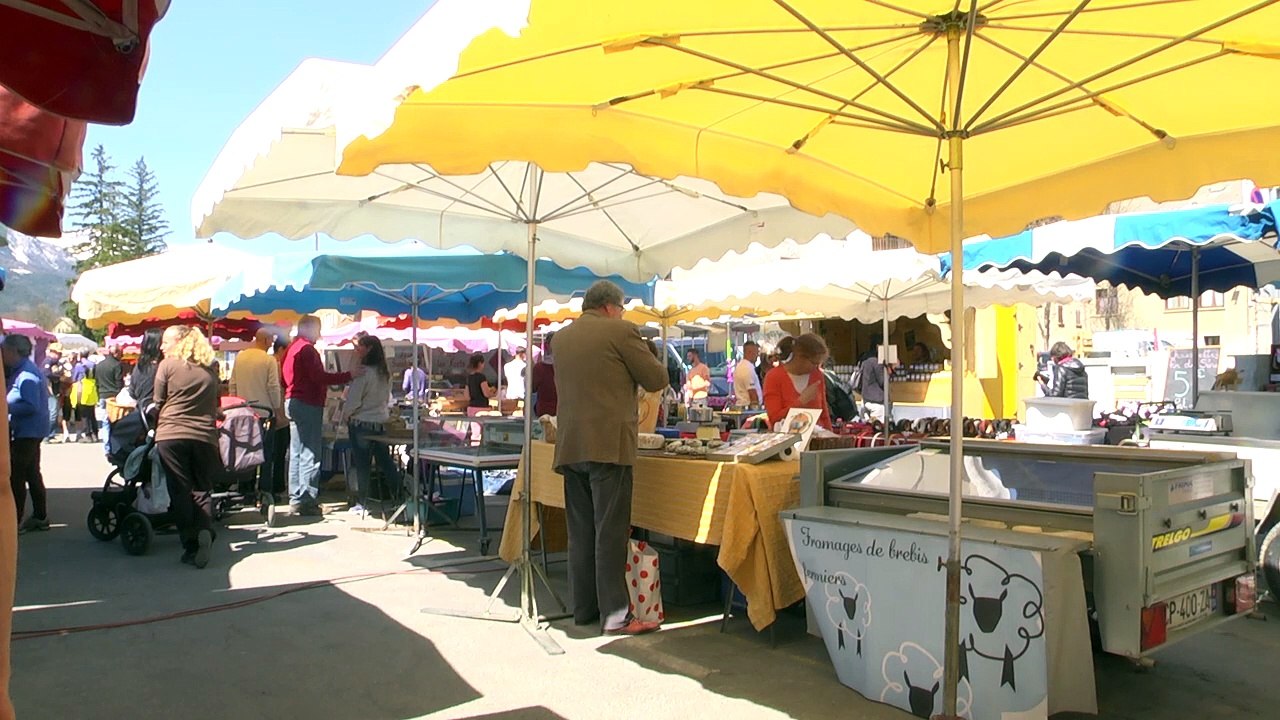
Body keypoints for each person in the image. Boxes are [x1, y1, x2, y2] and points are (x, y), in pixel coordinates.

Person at [553, 280, 668, 636]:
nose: (622, 313)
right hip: (609, 444)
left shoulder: (561, 337)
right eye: (621, 308)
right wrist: (646, 348)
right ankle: (616, 615)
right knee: (610, 532)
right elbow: (656, 378)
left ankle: (583, 609)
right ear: (609, 306)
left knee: (581, 532)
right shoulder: (621, 331)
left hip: (571, 444)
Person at [153, 326, 221, 569]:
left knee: (180, 490)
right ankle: (204, 529)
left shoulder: (168, 366)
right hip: (204, 436)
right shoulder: (210, 371)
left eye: (166, 341)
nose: (162, 346)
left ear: (180, 341)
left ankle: (190, 545)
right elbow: (216, 404)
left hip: (171, 435)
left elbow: (158, 402)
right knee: (202, 488)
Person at [283, 315, 356, 516]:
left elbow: (284, 378)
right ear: (308, 329)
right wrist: (347, 375)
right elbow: (319, 377)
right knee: (310, 451)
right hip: (308, 402)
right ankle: (307, 500)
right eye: (318, 329)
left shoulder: (291, 349)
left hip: (293, 401)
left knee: (296, 451)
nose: (320, 334)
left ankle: (296, 496)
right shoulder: (307, 349)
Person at [343, 335, 399, 512]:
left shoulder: (363, 372)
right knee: (385, 462)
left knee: (362, 464)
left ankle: (363, 502)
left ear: (368, 349)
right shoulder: (384, 372)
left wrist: (346, 414)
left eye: (359, 347)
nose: (356, 350)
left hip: (361, 423)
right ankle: (399, 496)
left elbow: (353, 400)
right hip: (379, 421)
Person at [228, 329, 284, 497]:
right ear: (266, 340)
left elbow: (233, 384)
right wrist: (277, 409)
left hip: (243, 413)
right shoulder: (269, 361)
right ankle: (265, 491)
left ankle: (245, 489)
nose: (272, 343)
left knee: (245, 451)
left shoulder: (241, 357)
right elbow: (273, 387)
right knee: (266, 454)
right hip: (264, 413)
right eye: (271, 340)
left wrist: (235, 404)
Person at [5, 335, 51, 533]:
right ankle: (40, 516)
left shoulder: (26, 375)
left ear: (14, 351)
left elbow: (31, 405)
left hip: (28, 432)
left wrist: (6, 407)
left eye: (4, 351)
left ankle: (15, 520)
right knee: (32, 473)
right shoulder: (24, 371)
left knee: (17, 475)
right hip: (31, 430)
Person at [764, 334, 832, 430]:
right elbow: (774, 418)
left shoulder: (817, 375)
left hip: (817, 439)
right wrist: (801, 402)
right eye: (814, 363)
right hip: (787, 440)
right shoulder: (774, 377)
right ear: (800, 357)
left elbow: (824, 414)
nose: (816, 368)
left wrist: (830, 436)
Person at [94, 345, 125, 453]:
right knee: (115, 422)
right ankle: (115, 446)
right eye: (120, 353)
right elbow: (119, 382)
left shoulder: (99, 365)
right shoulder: (117, 365)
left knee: (105, 422)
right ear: (115, 353)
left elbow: (96, 382)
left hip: (102, 395)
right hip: (114, 396)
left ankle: (106, 447)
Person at [852, 339, 889, 421]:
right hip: (876, 401)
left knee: (866, 428)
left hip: (864, 399)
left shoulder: (864, 359)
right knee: (877, 428)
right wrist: (890, 370)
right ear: (878, 346)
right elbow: (883, 381)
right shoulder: (876, 361)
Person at [129, 328, 164, 412]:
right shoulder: (160, 367)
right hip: (156, 414)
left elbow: (132, 392)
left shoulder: (139, 366)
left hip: (140, 412)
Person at [69, 352, 98, 443]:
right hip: (92, 389)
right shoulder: (93, 364)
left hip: (82, 390)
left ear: (80, 356)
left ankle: (88, 434)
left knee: (84, 415)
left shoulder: (79, 365)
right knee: (92, 414)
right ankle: (95, 434)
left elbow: (74, 378)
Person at [529, 333, 558, 417]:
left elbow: (532, 388)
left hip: (544, 411)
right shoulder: (565, 367)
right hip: (561, 410)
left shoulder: (539, 368)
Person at [733, 341, 763, 407]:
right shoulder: (747, 368)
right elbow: (752, 392)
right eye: (756, 353)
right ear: (749, 352)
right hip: (748, 407)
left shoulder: (742, 366)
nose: (757, 356)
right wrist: (756, 409)